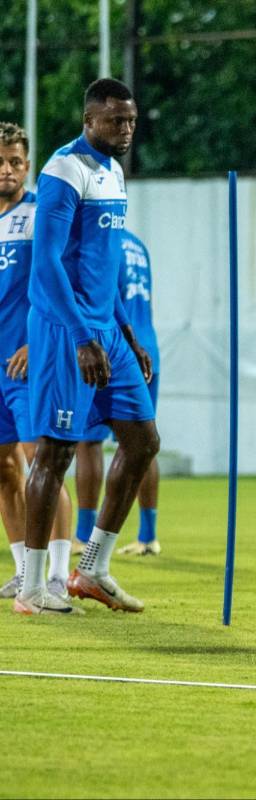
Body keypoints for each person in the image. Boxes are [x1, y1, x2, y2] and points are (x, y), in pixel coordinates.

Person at [13, 78, 158, 615]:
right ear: (89, 119)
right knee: (56, 453)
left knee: (143, 441)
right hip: (61, 330)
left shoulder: (115, 172)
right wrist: (81, 336)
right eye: (116, 120)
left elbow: (106, 264)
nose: (126, 129)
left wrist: (125, 331)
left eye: (131, 120)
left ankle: (91, 567)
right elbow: (48, 261)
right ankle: (30, 588)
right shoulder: (64, 169)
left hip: (105, 331)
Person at [0, 122, 75, 601]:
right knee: (3, 468)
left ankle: (58, 574)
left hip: (27, 362)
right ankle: (22, 568)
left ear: (28, 165)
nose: (6, 171)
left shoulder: (39, 215)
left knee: (41, 464)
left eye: (14, 162)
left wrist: (35, 338)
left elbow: (59, 279)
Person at [75, 228, 162, 557]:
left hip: (113, 349)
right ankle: (148, 534)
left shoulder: (100, 242)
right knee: (143, 441)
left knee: (88, 441)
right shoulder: (138, 244)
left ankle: (84, 534)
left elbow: (102, 298)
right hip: (147, 345)